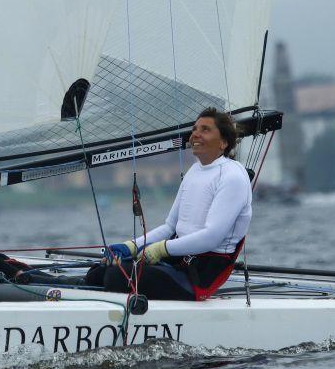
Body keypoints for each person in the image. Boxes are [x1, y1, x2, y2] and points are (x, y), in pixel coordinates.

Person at [85, 107, 252, 301]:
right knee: (99, 271)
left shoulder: (233, 177)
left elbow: (211, 238)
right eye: (194, 128)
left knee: (117, 276)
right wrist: (130, 247)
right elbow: (170, 227)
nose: (195, 134)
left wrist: (161, 249)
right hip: (177, 261)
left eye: (205, 129)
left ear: (223, 142)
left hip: (201, 274)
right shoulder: (195, 170)